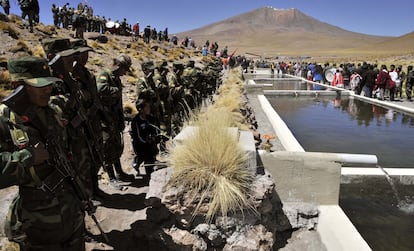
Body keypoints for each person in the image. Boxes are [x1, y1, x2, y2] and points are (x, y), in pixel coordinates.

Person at [0, 56, 85, 250]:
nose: (48, 89)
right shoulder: (4, 120)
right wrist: (28, 157)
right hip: (38, 227)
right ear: (17, 85)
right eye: (41, 85)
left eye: (49, 84)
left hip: (72, 216)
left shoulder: (51, 110)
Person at [97, 54, 135, 187]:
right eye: (124, 69)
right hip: (105, 121)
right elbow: (100, 89)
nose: (125, 73)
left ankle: (120, 173)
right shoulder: (105, 75)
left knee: (117, 148)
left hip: (114, 119)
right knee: (107, 149)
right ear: (118, 65)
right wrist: (116, 90)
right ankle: (111, 177)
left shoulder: (116, 78)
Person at [130, 99, 159, 178]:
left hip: (149, 142)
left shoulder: (149, 118)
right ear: (141, 109)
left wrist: (154, 136)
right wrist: (146, 141)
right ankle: (148, 174)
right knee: (146, 156)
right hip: (139, 144)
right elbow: (137, 136)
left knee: (152, 154)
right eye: (147, 107)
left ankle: (149, 169)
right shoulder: (136, 121)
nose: (149, 109)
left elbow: (154, 128)